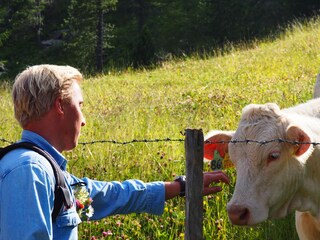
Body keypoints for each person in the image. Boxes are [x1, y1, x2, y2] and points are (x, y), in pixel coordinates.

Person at [0, 64, 230, 239]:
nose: (83, 121)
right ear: (60, 106)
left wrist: (179, 187)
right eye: (79, 106)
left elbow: (102, 197)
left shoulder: (49, 173)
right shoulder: (29, 170)